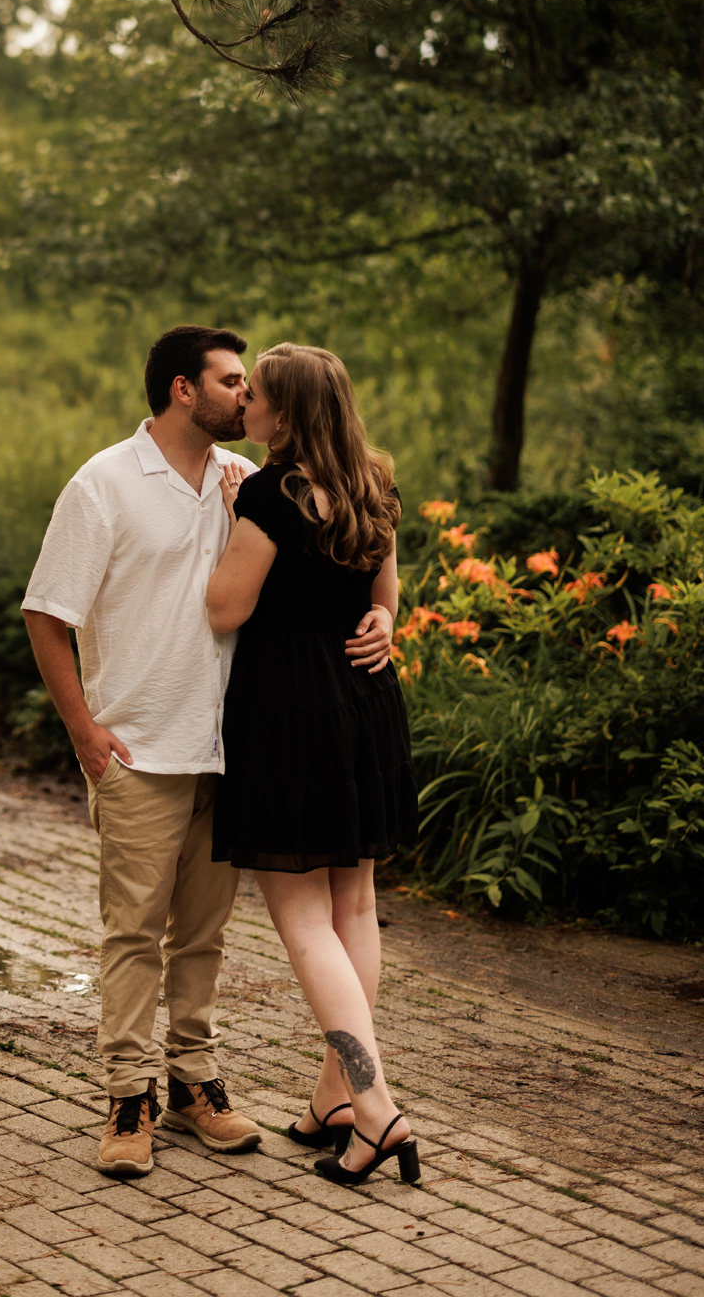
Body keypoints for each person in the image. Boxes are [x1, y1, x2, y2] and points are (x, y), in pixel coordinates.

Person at [22, 324, 269, 1179]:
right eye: (233, 380)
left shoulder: (244, 482)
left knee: (202, 936)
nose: (248, 394)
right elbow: (47, 613)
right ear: (181, 389)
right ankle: (129, 1096)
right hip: (137, 752)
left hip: (225, 750)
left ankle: (194, 1080)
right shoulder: (104, 484)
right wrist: (87, 736)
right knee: (133, 934)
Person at [206, 342, 422, 1189]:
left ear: (284, 415)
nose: (244, 406)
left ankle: (374, 1108)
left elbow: (226, 609)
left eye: (254, 396)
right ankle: (334, 1098)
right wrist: (385, 626)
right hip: (364, 700)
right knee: (355, 904)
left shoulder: (268, 493)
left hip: (290, 708)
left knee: (302, 920)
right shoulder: (372, 483)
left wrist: (235, 521)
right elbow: (384, 600)